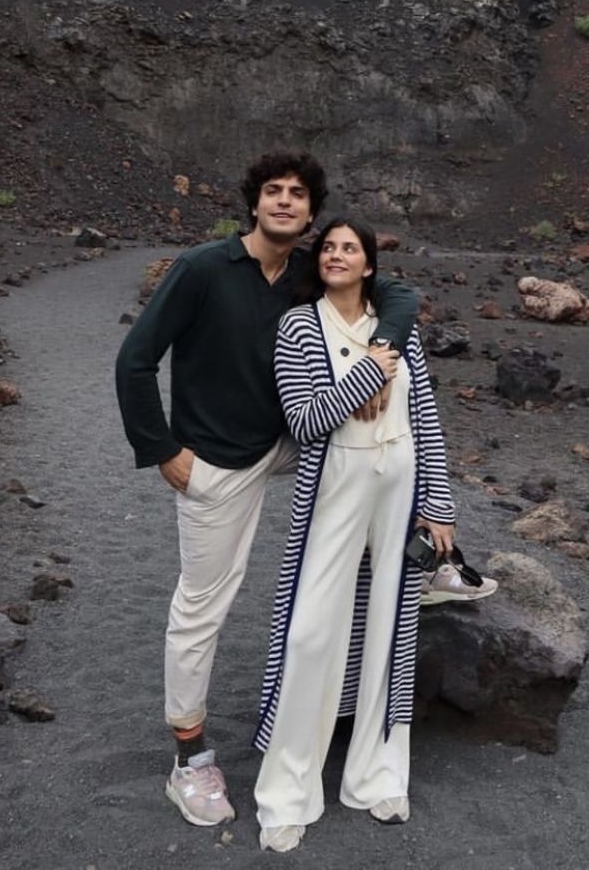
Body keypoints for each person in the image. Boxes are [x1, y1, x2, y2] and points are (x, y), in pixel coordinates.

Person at [114, 152, 419, 828]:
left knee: (375, 454)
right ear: (253, 203)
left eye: (298, 194)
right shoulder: (201, 270)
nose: (285, 202)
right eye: (274, 192)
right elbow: (135, 359)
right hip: (215, 460)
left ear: (311, 212)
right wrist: (163, 450)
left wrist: (380, 355)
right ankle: (188, 759)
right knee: (203, 602)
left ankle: (419, 555)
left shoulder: (307, 273)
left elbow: (397, 295)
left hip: (289, 443)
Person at [252, 218, 491, 853]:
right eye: (327, 247)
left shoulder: (397, 325)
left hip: (400, 482)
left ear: (368, 265)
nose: (336, 255)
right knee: (310, 632)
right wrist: (369, 373)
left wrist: (438, 504)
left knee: (390, 621)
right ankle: (287, 791)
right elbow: (304, 421)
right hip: (335, 484)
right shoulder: (298, 327)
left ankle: (376, 775)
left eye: (348, 248)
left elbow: (427, 420)